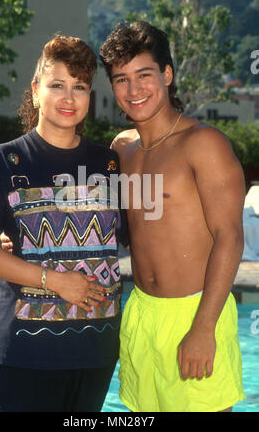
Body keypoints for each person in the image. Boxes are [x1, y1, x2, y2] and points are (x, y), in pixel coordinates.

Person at [0, 34, 127, 412]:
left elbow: (137, 235)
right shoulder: (2, 162)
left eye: (79, 87)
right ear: (36, 91)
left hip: (96, 351)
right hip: (24, 354)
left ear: (90, 97)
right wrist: (57, 282)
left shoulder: (110, 164)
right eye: (57, 85)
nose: (69, 98)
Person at [98, 21, 246, 412]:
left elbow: (229, 237)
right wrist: (28, 240)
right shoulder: (122, 148)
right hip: (142, 311)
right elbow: (116, 226)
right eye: (121, 79)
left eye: (144, 75)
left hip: (195, 311)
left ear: (166, 74)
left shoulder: (204, 144)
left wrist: (203, 327)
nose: (133, 90)